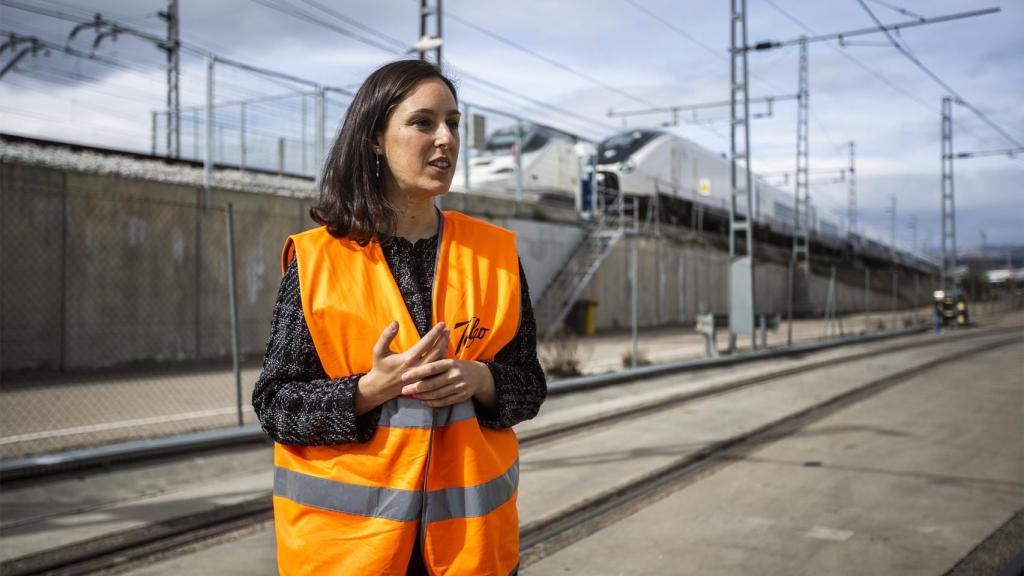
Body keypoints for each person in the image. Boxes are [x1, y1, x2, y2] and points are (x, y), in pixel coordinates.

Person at [252, 59, 546, 576]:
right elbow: (275, 405)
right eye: (423, 122)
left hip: (469, 551)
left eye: (453, 123)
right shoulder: (318, 259)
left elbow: (530, 386)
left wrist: (481, 379)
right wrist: (367, 390)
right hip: (352, 552)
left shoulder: (494, 254)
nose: (446, 139)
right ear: (374, 139)